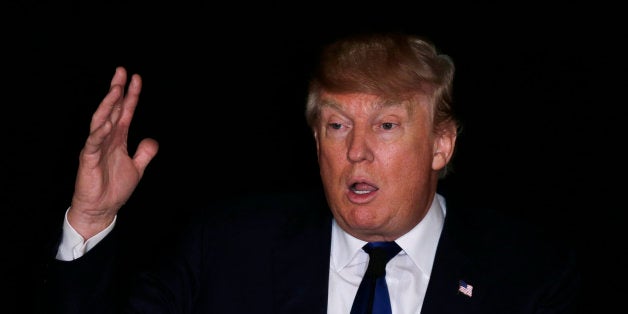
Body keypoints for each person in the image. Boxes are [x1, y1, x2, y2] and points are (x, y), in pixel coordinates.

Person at [37, 31, 581, 313]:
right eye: (338, 126)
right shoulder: (227, 249)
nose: (357, 152)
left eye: (387, 126)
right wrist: (92, 217)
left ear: (441, 144)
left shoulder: (531, 276)